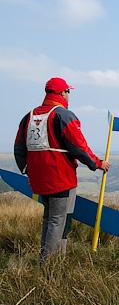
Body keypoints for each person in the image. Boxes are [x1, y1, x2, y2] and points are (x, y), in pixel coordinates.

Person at [14, 78, 110, 265]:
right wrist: (97, 163)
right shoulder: (64, 115)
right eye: (68, 92)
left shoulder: (29, 116)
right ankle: (47, 266)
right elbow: (78, 146)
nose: (68, 95)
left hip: (39, 178)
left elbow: (19, 147)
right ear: (62, 93)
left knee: (50, 218)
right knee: (58, 220)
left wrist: (27, 170)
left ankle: (57, 260)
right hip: (60, 177)